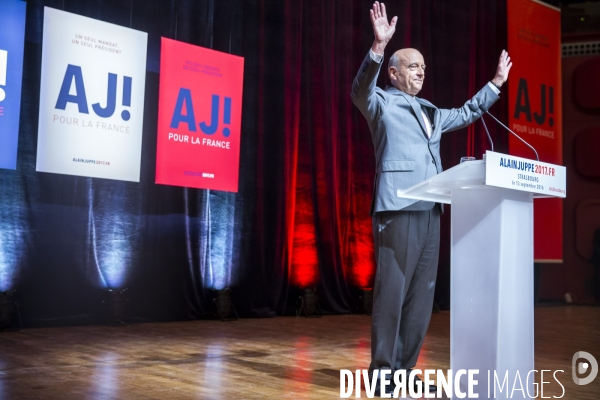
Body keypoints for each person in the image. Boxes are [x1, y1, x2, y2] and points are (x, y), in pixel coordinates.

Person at [350, 2, 512, 395]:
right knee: (393, 293)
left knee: (422, 297)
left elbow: (467, 111)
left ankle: (404, 370)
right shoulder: (381, 102)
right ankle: (382, 373)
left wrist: (495, 84)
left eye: (423, 67)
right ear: (394, 72)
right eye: (412, 66)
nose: (421, 71)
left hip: (431, 209)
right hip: (398, 205)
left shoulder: (431, 111)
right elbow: (359, 90)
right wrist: (378, 46)